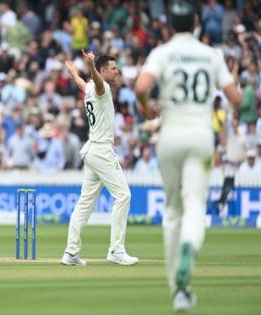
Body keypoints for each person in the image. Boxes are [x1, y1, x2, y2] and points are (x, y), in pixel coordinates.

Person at [135, 1, 241, 312]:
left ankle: (176, 287)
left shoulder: (162, 52)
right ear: (196, 22)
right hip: (200, 135)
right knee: (196, 203)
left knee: (173, 210)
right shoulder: (211, 55)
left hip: (170, 135)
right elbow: (234, 97)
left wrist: (147, 107)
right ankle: (189, 254)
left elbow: (142, 86)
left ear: (169, 25)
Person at [61, 50, 139, 266]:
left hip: (92, 151)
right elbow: (95, 81)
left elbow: (80, 84)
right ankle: (116, 250)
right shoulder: (101, 87)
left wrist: (73, 72)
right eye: (113, 68)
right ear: (103, 71)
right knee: (123, 196)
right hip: (102, 151)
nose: (118, 71)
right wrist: (91, 65)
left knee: (84, 203)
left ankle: (71, 253)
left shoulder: (89, 89)